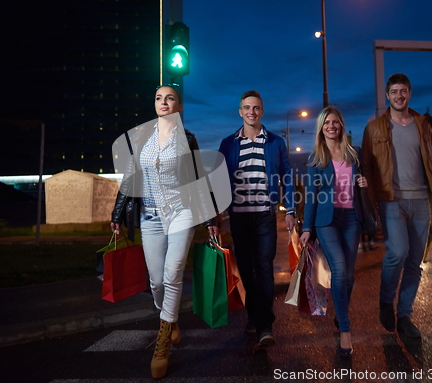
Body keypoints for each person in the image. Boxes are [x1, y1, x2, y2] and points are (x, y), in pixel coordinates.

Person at [110, 85, 218, 379]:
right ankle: (168, 319)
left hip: (182, 213)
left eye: (170, 98)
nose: (164, 102)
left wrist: (210, 220)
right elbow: (131, 177)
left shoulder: (187, 139)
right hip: (150, 217)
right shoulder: (141, 137)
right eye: (159, 98)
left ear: (179, 106)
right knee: (156, 281)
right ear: (154, 104)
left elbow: (198, 179)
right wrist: (117, 212)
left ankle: (162, 343)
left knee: (172, 274)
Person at [362, 73, 432, 338]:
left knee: (415, 262)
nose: (399, 95)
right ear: (387, 95)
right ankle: (386, 301)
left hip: (421, 200)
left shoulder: (422, 125)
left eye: (403, 91)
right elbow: (368, 168)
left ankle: (405, 315)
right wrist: (371, 202)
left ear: (409, 93)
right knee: (398, 253)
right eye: (394, 91)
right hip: (391, 200)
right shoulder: (374, 129)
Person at [218, 90, 296, 348]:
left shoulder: (274, 142)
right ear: (240, 112)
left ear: (262, 111)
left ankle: (265, 324)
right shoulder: (228, 144)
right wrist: (215, 215)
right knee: (248, 272)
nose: (252, 112)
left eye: (256, 108)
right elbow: (219, 181)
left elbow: (287, 176)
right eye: (247, 108)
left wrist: (292, 210)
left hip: (264, 215)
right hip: (238, 217)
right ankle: (254, 315)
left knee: (264, 268)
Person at [300, 107, 368, 357]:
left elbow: (362, 182)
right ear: (321, 127)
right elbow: (311, 196)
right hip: (326, 221)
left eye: (335, 122)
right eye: (326, 122)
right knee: (339, 269)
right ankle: (346, 330)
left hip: (351, 218)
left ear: (341, 125)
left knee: (348, 276)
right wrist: (307, 227)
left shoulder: (354, 153)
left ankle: (340, 317)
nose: (331, 126)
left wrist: (363, 182)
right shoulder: (316, 159)